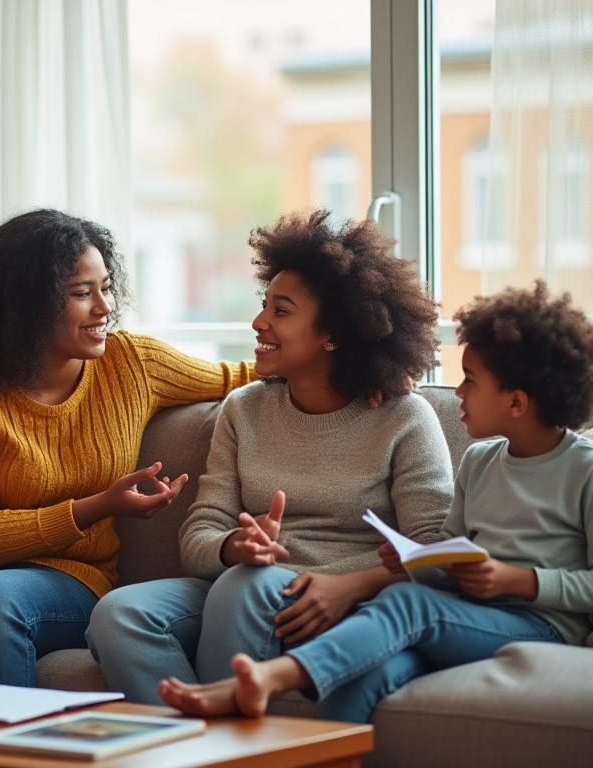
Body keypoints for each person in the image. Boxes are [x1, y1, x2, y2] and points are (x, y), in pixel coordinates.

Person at [0, 208, 256, 686]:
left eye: (106, 286)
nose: (105, 307)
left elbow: (242, 377)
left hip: (70, 574)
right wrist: (97, 507)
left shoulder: (133, 363)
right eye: (83, 293)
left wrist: (345, 361)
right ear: (27, 304)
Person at [158, 282, 593, 723]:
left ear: (516, 402)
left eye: (470, 380)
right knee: (360, 681)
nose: (457, 392)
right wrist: (413, 558)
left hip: (542, 625)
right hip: (471, 616)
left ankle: (268, 678)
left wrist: (520, 581)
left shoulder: (589, 470)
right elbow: (445, 552)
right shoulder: (479, 461)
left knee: (409, 604)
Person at [86, 210, 453, 703]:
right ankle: (196, 748)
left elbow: (436, 553)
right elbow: (198, 537)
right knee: (119, 614)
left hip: (344, 600)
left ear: (334, 335)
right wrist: (235, 546)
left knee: (244, 588)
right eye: (265, 305)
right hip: (245, 586)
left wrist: (348, 586)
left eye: (281, 311)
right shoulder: (244, 409)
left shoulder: (406, 418)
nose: (259, 321)